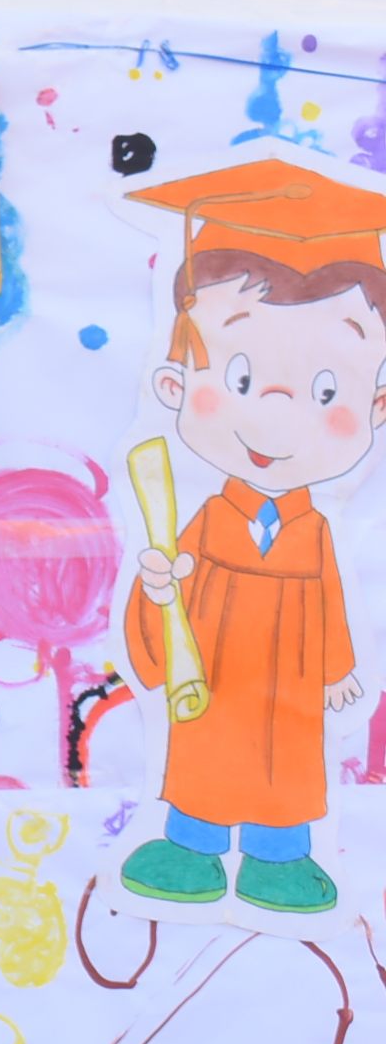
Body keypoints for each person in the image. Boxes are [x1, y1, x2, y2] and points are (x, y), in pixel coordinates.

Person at [120, 159, 382, 914]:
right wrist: (159, 589)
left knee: (289, 761)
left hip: (294, 678)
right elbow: (164, 608)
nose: (273, 415)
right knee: (208, 750)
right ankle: (192, 843)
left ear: (378, 404)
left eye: (327, 391)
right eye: (238, 377)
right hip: (218, 667)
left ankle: (277, 856)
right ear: (174, 386)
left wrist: (336, 669)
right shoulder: (202, 521)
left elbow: (332, 603)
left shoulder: (318, 533)